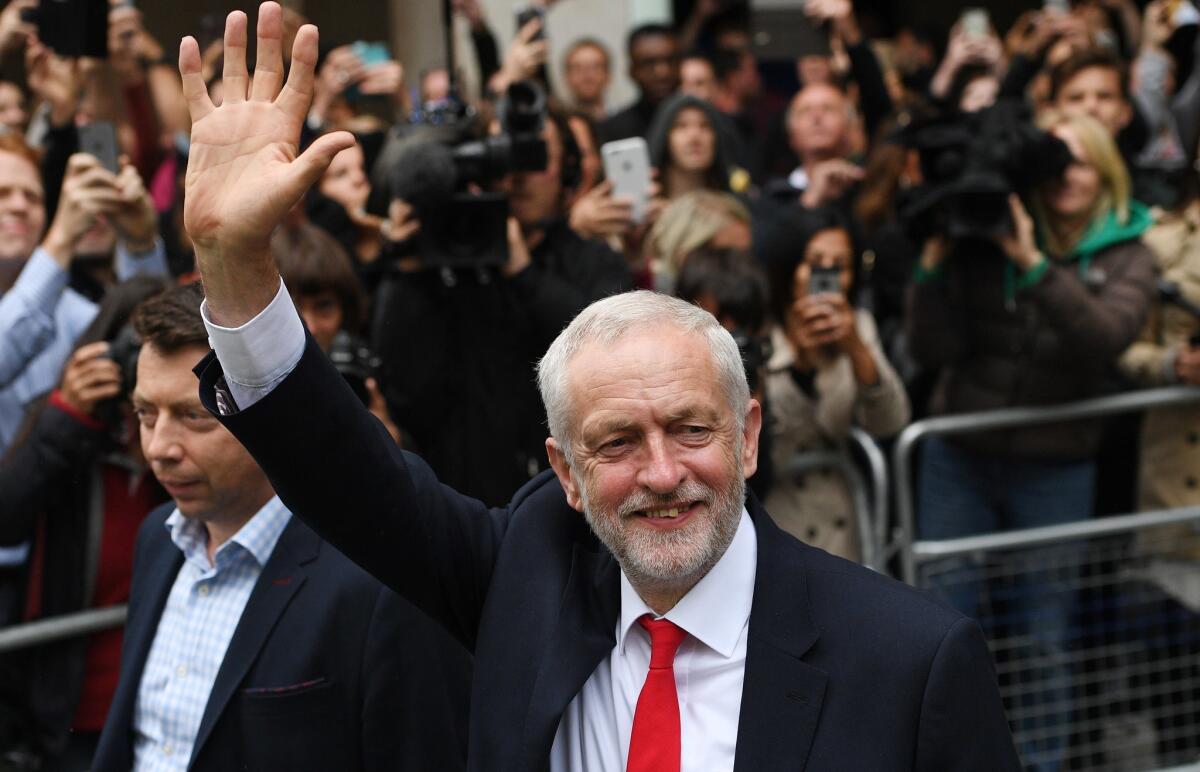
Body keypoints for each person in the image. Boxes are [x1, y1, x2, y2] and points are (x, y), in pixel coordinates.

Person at [174, 6, 1020, 770]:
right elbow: (344, 472)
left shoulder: (909, 660)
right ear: (565, 470)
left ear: (749, 434)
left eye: (692, 430)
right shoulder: (524, 581)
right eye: (616, 442)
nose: (661, 473)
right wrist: (235, 263)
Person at [91, 282, 470, 772]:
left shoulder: (378, 580)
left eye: (193, 416)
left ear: (263, 415)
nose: (160, 446)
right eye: (146, 414)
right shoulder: (157, 539)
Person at [906, 110, 1157, 769]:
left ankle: (1042, 763)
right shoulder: (983, 230)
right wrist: (933, 270)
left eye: (1079, 162)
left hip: (1056, 467)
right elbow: (935, 349)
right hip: (959, 457)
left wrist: (1033, 263)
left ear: (1105, 169)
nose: (1066, 176)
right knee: (943, 625)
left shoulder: (1132, 249)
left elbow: (1104, 338)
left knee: (1046, 636)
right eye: (1054, 162)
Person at [0, 277, 168, 770]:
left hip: (166, 684)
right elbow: (7, 518)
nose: (145, 366)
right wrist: (67, 417)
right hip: (77, 702)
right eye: (135, 348)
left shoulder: (196, 433)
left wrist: (161, 430)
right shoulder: (67, 428)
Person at [0, 138, 167, 454]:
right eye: (2, 194)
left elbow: (150, 350)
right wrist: (61, 239)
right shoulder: (57, 254)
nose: (20, 206)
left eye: (32, 197)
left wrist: (139, 242)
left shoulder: (69, 309)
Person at [762, 221, 909, 561]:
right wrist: (797, 362)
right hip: (780, 511)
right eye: (814, 263)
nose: (824, 276)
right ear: (790, 268)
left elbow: (890, 421)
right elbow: (777, 437)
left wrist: (856, 348)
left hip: (841, 516)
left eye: (839, 266)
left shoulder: (860, 325)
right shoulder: (764, 335)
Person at [597, 24, 681, 145]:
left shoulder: (709, 122)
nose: (662, 73)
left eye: (670, 60)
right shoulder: (614, 131)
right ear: (632, 71)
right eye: (649, 63)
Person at [562, 38, 611, 123]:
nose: (587, 76)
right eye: (577, 68)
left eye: (595, 67)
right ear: (566, 77)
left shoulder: (626, 121)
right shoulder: (559, 127)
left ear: (608, 75)